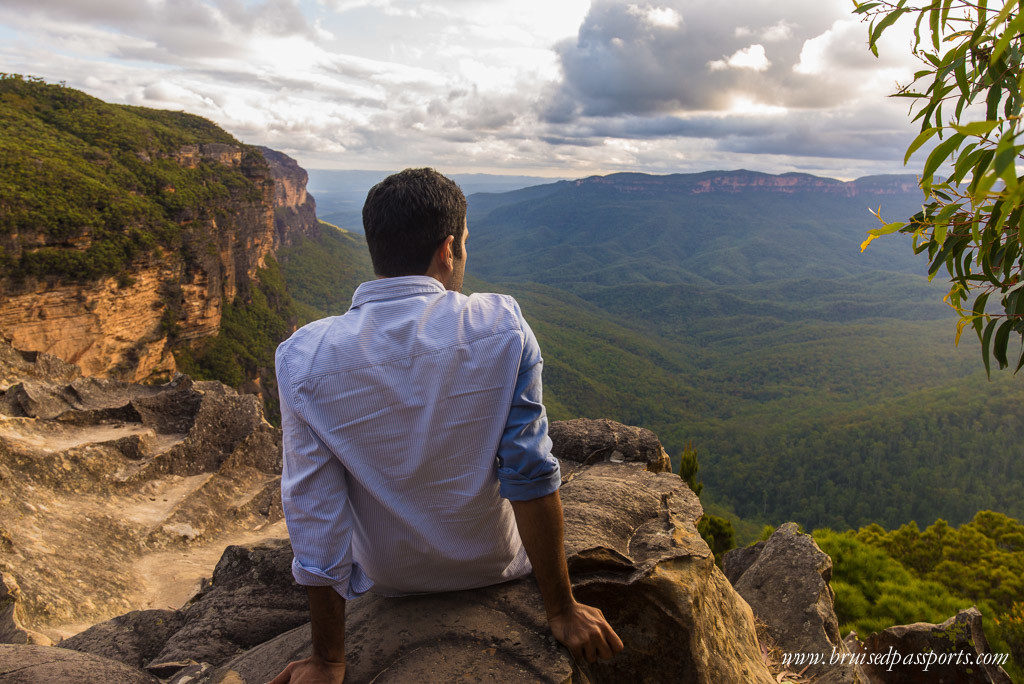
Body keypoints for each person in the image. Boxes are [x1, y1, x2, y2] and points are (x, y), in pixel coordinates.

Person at [270, 168, 623, 683]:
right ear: (449, 248)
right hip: (494, 563)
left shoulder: (304, 356)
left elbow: (312, 508)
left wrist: (328, 658)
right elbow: (529, 471)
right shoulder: (501, 326)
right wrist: (562, 609)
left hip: (390, 577)